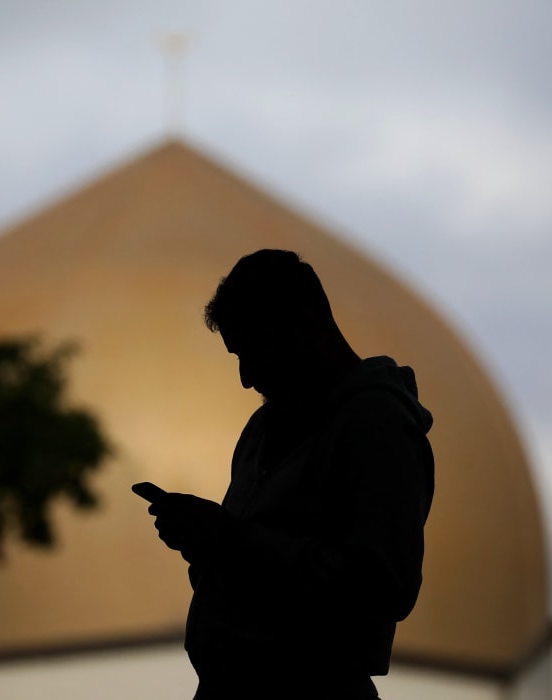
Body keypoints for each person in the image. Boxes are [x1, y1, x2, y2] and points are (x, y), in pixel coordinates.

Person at [135, 249, 435, 699]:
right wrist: (208, 543)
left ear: (303, 325)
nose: (245, 377)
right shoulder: (264, 428)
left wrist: (231, 540)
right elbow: (259, 565)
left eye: (253, 350)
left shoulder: (376, 424)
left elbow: (380, 586)